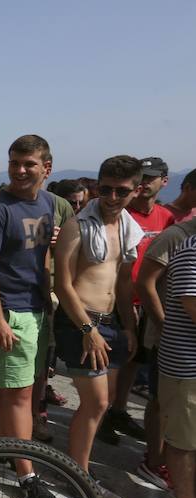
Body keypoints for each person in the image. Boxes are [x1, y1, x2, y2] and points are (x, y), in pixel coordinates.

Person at [0, 134, 60, 498]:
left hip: (35, 307)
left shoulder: (46, 204)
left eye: (28, 164)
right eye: (14, 163)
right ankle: (27, 477)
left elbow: (40, 257)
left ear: (46, 168)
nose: (20, 170)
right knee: (19, 396)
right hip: (8, 311)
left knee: (22, 392)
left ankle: (4, 452)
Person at [53, 155, 145, 498]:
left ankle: (77, 470)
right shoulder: (79, 225)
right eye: (104, 188)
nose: (111, 197)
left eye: (121, 191)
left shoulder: (127, 226)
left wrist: (128, 324)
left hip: (109, 323)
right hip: (82, 321)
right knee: (97, 403)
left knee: (99, 404)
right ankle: (80, 477)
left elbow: (123, 280)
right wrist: (88, 329)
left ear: (134, 190)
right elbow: (63, 283)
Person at [101, 157, 175, 445]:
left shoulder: (166, 218)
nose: (145, 182)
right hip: (119, 299)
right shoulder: (119, 212)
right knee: (112, 362)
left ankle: (118, 410)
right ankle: (104, 414)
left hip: (148, 299)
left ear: (164, 181)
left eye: (151, 177)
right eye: (141, 177)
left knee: (134, 360)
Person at [134, 192, 196, 492]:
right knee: (163, 404)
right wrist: (162, 324)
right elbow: (145, 282)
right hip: (171, 334)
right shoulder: (179, 237)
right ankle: (155, 459)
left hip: (176, 334)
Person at [155, 234, 196, 498]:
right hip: (186, 364)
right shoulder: (192, 250)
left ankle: (185, 494)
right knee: (183, 437)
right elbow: (192, 305)